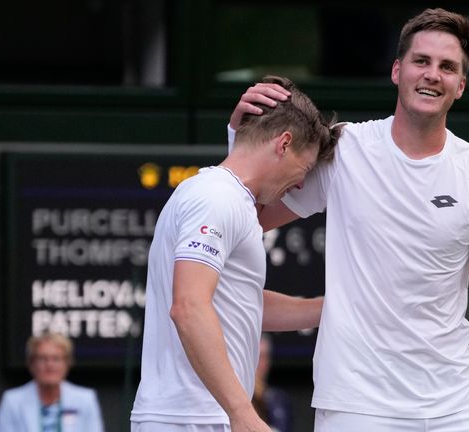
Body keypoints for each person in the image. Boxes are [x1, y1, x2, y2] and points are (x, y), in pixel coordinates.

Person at [229, 8, 469, 431]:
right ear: (397, 70)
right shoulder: (343, 149)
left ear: (461, 86)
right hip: (355, 408)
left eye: (447, 67)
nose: (433, 74)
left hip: (456, 407)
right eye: (421, 61)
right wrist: (239, 136)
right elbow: (250, 214)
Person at [131, 75, 340, 432]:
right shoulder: (217, 197)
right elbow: (189, 307)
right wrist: (242, 413)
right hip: (192, 418)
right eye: (304, 169)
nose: (303, 184)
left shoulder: (231, 200)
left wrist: (335, 309)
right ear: (284, 142)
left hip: (197, 416)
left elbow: (241, 306)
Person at [0, 332, 104, 432]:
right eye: (42, 358)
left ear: (68, 363)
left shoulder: (85, 399)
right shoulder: (13, 401)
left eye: (56, 359)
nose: (49, 364)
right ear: (31, 363)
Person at [252, 334, 293, 432]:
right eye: (257, 356)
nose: (261, 362)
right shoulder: (236, 395)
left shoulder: (277, 398)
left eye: (265, 357)